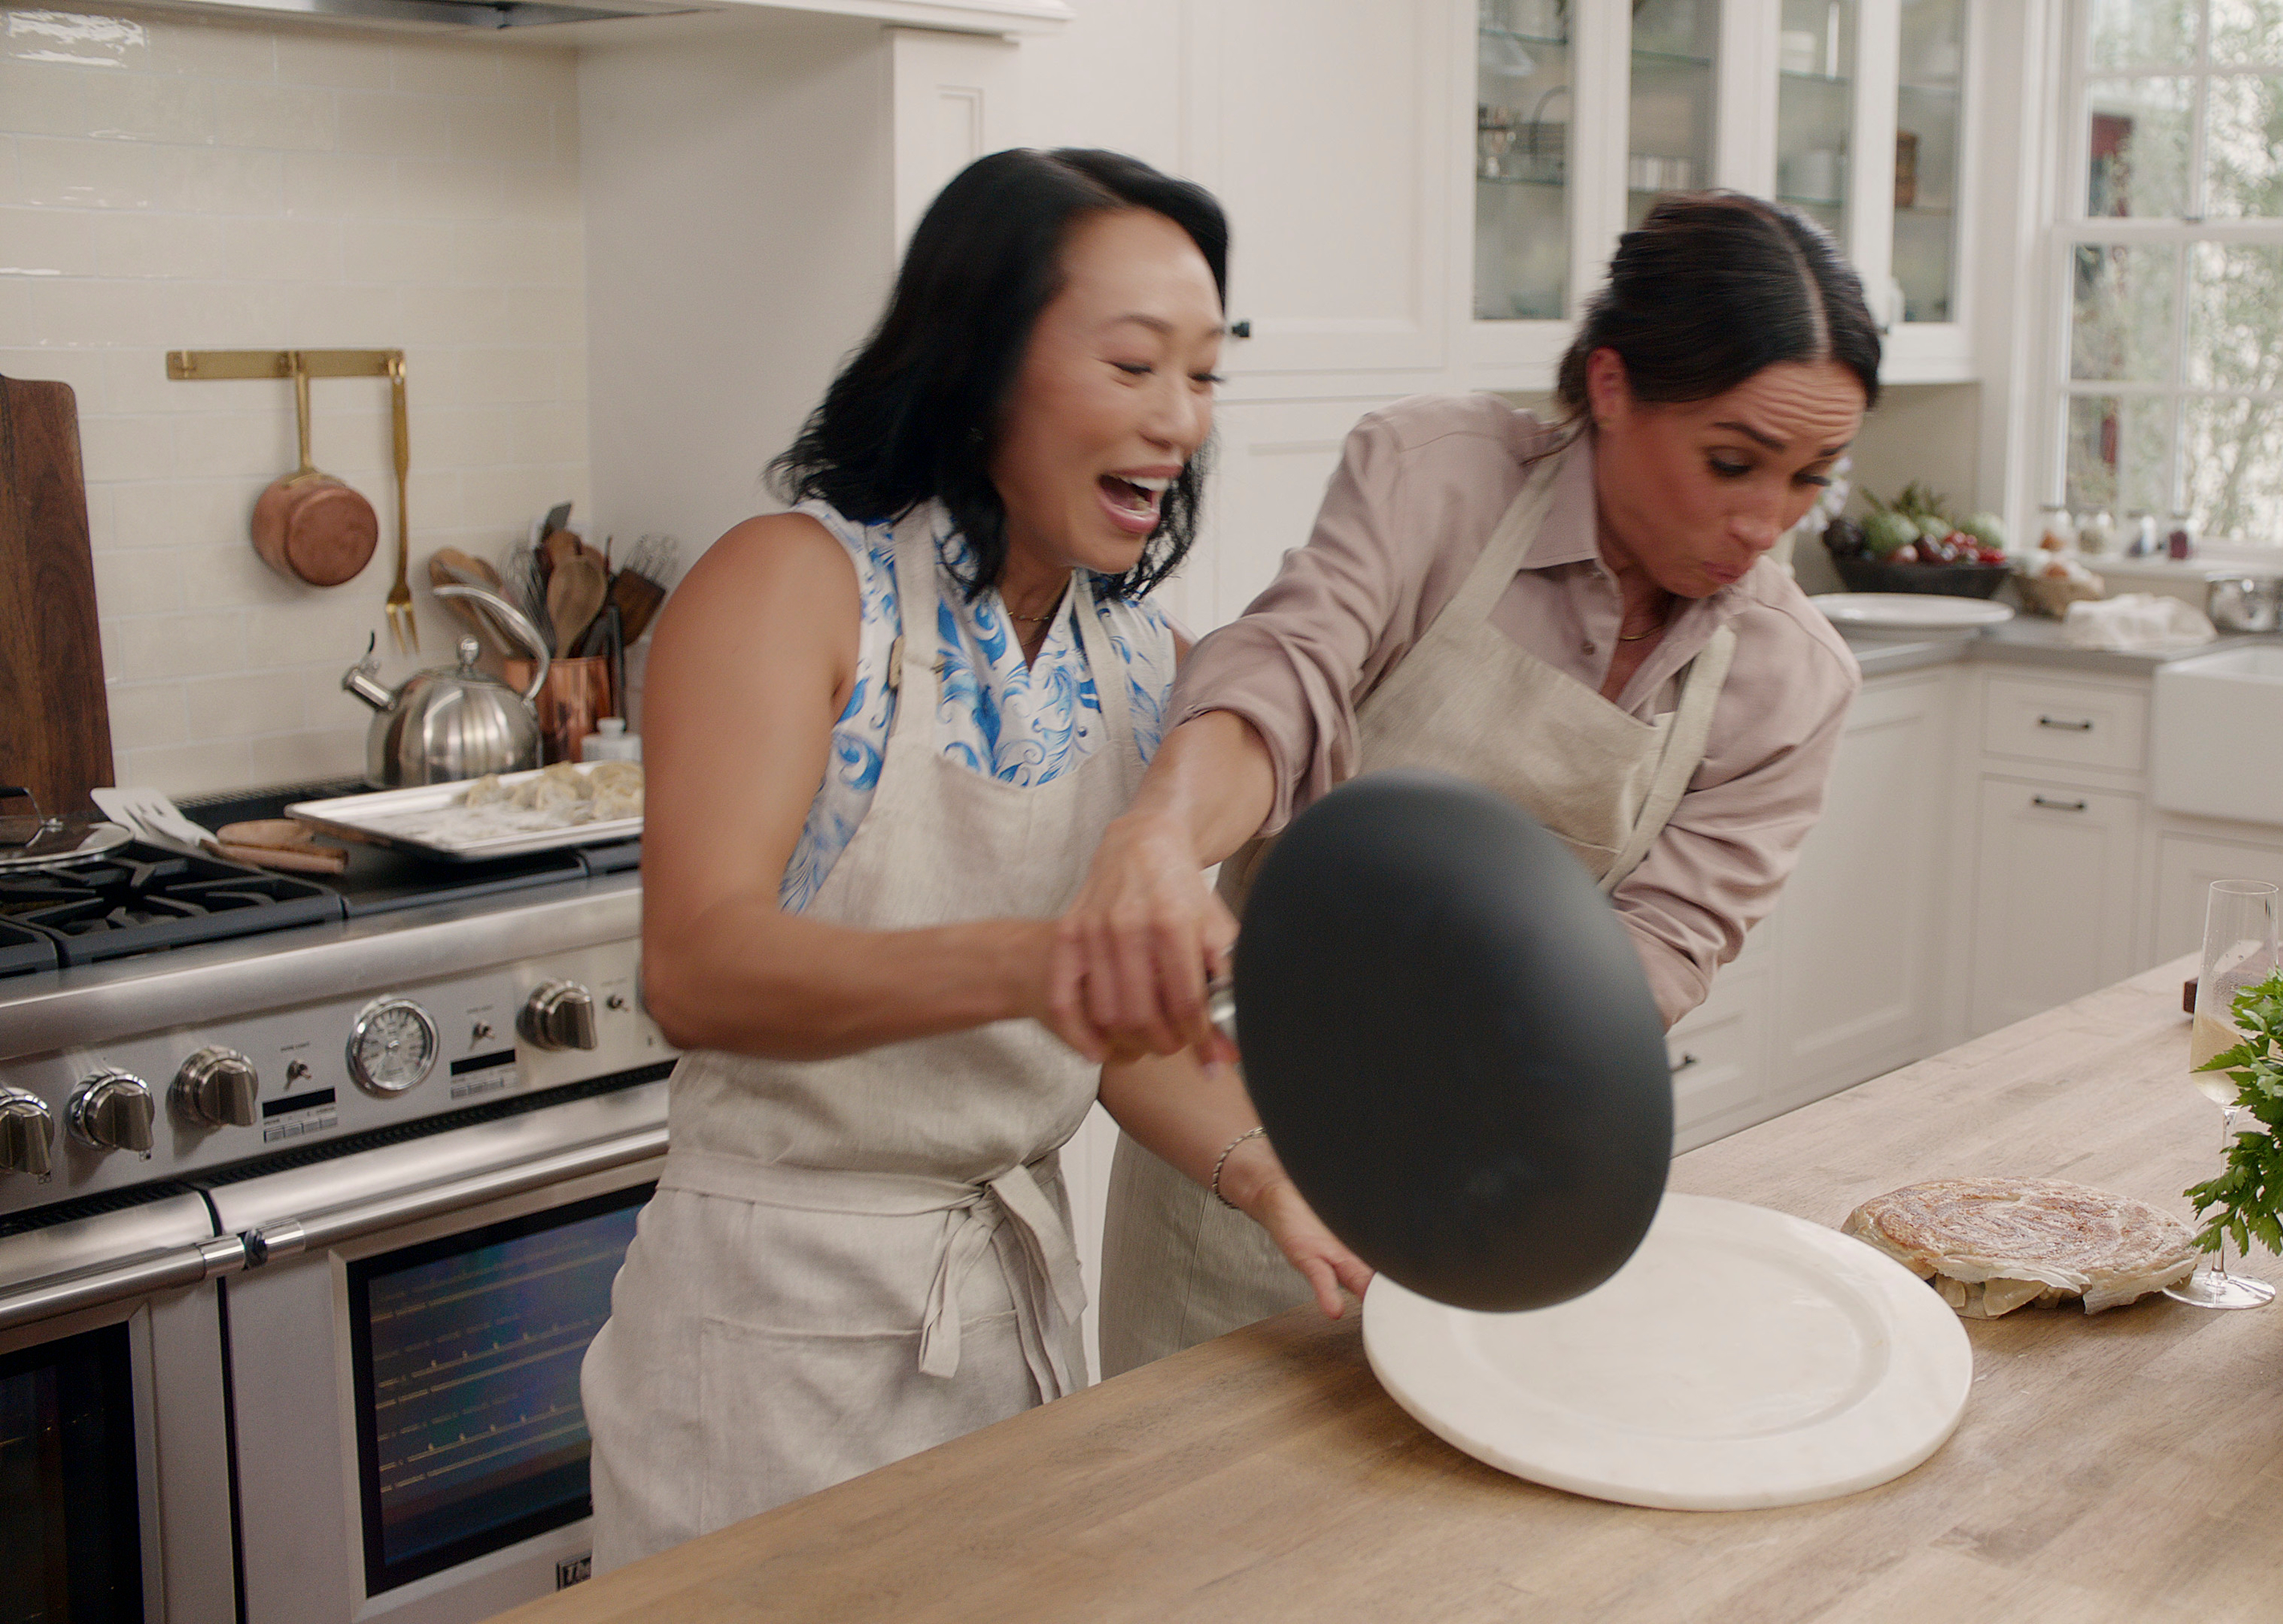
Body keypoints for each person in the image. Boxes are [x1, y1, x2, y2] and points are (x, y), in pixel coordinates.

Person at [579, 148, 1369, 1570]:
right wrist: (1048, 962)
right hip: (771, 1337)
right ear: (979, 364)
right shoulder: (792, 588)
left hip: (1012, 1318)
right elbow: (700, 966)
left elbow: (1118, 1036)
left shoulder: (1140, 662)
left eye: (1204, 376)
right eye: (1134, 366)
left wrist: (1270, 1179)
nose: (1180, 421)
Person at [1061, 190, 1880, 1376]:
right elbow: (1286, 677)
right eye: (1731, 461)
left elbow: (1656, 949)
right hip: (1242, 1120)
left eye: (1812, 479)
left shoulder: (1794, 679)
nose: (1766, 521)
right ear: (1610, 386)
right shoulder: (1439, 479)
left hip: (1494, 1174)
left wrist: (1456, 1142)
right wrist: (1160, 832)